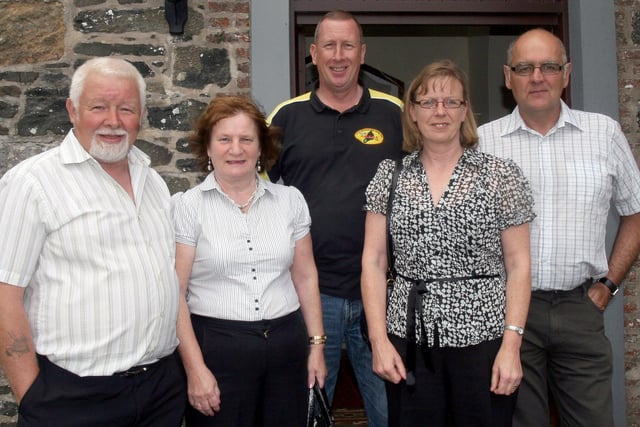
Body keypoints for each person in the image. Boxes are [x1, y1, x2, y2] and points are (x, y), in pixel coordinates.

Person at [0, 57, 186, 426]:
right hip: (73, 399)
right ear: (72, 110)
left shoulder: (155, 184)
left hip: (160, 391)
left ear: (142, 116)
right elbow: (6, 293)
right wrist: (34, 399)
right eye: (99, 107)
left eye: (126, 109)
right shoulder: (33, 184)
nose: (113, 121)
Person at [478, 28, 640, 426]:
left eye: (549, 66)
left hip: (581, 307)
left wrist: (608, 286)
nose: (537, 77)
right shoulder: (482, 143)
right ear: (507, 76)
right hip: (510, 314)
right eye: (525, 67)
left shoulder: (603, 134)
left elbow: (635, 212)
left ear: (566, 74)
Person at [361, 59, 535, 426]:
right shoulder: (388, 176)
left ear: (464, 110)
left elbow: (518, 265)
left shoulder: (500, 176)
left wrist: (512, 345)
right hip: (408, 341)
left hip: (484, 341)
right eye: (428, 102)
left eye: (450, 102)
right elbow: (374, 262)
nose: (439, 111)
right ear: (412, 111)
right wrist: (379, 341)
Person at [266, 10, 403, 426]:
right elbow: (255, 194)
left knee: (390, 410)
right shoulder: (284, 118)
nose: (338, 56)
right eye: (329, 45)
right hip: (311, 293)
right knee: (311, 410)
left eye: (348, 46)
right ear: (313, 53)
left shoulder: (395, 113)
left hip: (383, 291)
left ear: (362, 54)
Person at [173, 95, 326, 427]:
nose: (236, 149)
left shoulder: (291, 201)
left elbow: (305, 277)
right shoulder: (187, 207)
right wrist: (195, 369)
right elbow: (175, 294)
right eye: (224, 139)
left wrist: (316, 345)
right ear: (209, 148)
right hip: (216, 352)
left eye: (246, 139)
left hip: (287, 349)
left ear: (261, 148)